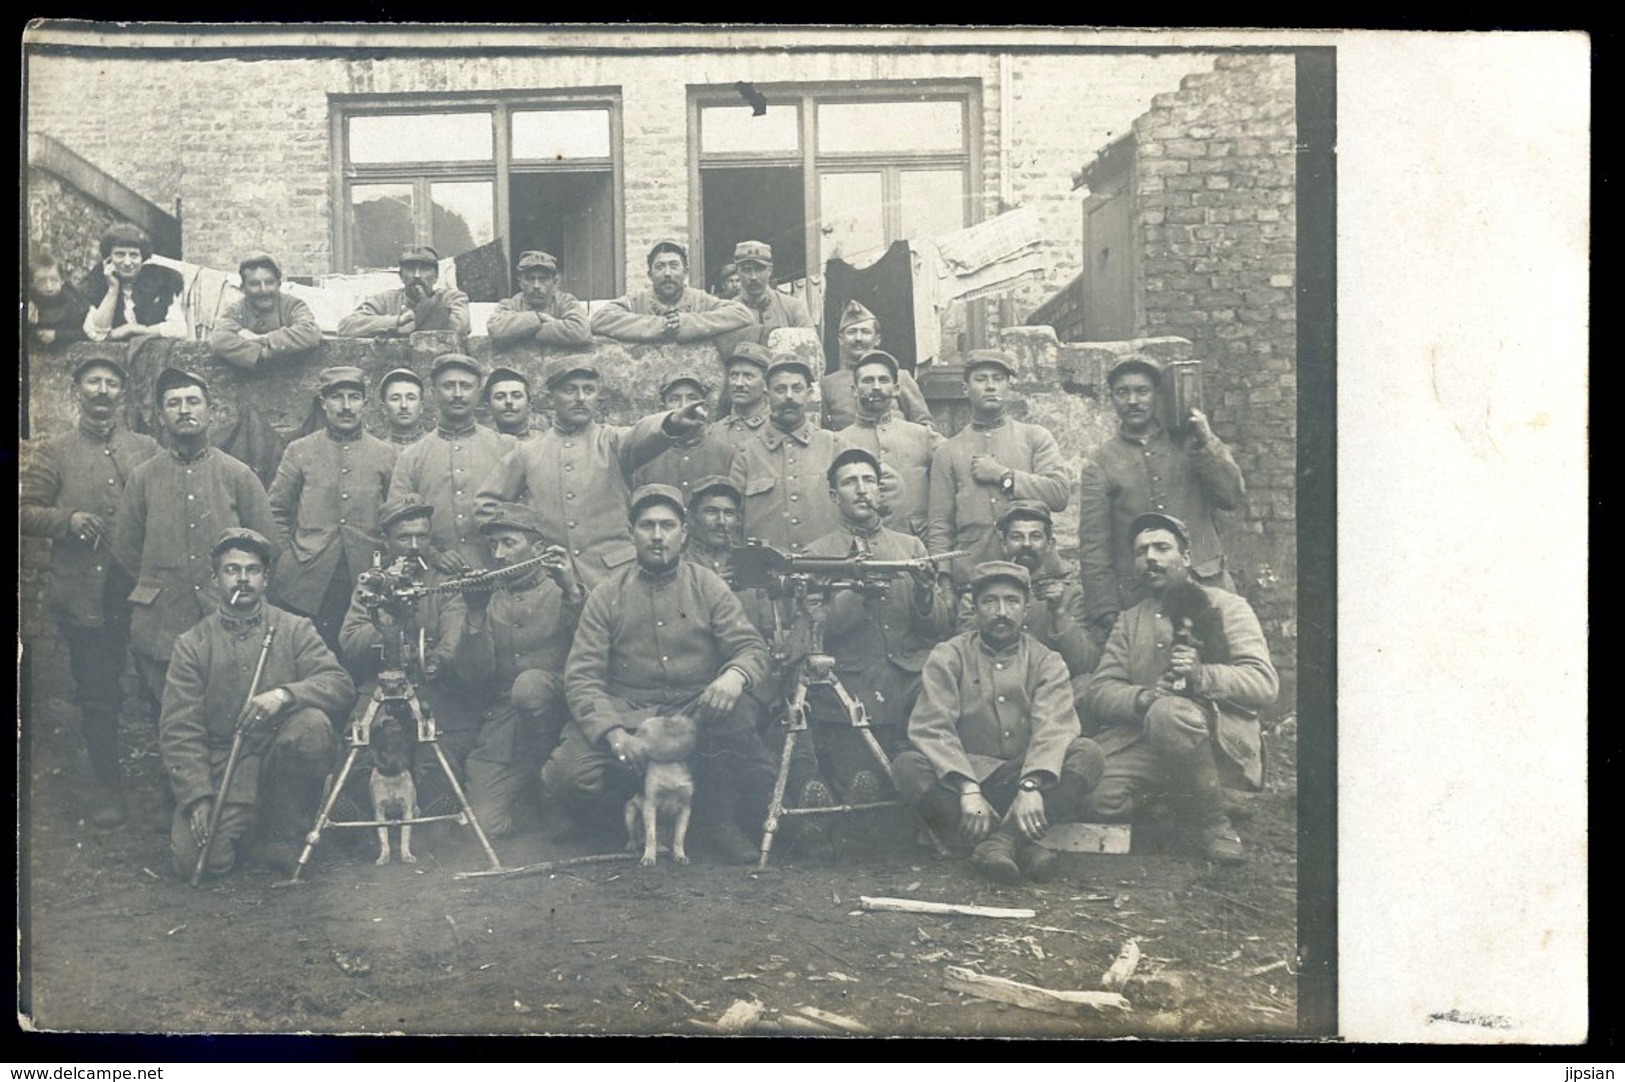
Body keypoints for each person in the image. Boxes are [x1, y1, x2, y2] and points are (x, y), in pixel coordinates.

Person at [550, 484, 778, 864]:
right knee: (569, 775)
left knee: (738, 719)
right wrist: (613, 733)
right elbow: (582, 676)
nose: (658, 536)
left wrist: (733, 676)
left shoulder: (708, 585)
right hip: (631, 714)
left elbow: (750, 648)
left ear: (684, 534)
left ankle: (718, 822)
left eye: (668, 526)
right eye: (647, 525)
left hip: (695, 711)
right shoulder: (608, 594)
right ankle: (621, 823)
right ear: (631, 532)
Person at [893, 561, 1105, 884]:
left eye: (1012, 601)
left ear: (1026, 607)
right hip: (965, 786)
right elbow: (932, 727)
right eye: (990, 602)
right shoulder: (948, 656)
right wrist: (967, 787)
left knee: (1087, 754)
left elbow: (1054, 728)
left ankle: (999, 843)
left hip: (1026, 786)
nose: (1001, 611)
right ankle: (1018, 845)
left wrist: (1031, 784)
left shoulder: (1047, 660)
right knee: (907, 766)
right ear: (974, 607)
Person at [1083, 513, 1278, 864]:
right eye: (1142, 552)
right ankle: (1190, 799)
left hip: (1218, 741)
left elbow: (1263, 684)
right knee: (1097, 796)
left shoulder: (1228, 607)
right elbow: (1100, 690)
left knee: (1170, 714)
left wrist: (1202, 676)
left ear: (1185, 558)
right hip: (1152, 739)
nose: (1151, 558)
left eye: (1162, 547)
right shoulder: (1130, 621)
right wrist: (1143, 698)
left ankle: (1215, 823)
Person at [161, 528, 355, 879]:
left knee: (311, 725)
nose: (243, 579)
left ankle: (286, 830)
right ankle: (252, 831)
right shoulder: (192, 644)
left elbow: (339, 685)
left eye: (252, 570)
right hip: (226, 765)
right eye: (232, 570)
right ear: (216, 578)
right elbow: (179, 729)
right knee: (198, 864)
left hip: (282, 756)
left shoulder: (295, 629)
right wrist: (197, 797)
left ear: (266, 578)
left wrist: (285, 695)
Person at [21, 356, 161, 826]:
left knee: (159, 687)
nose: (102, 391)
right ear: (77, 389)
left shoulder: (146, 448)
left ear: (123, 393)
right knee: (98, 692)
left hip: (144, 591)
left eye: (111, 383)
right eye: (93, 382)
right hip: (85, 593)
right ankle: (108, 788)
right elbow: (25, 511)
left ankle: (169, 789)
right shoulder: (54, 450)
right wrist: (67, 520)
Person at [111, 368, 281, 735]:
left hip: (225, 615)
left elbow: (267, 545)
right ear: (160, 415)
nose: (183, 410)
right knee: (171, 717)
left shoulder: (237, 475)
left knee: (226, 715)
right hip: (162, 621)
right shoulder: (143, 477)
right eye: (173, 403)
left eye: (192, 401)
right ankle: (179, 789)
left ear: (210, 411)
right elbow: (125, 550)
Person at [795, 449, 954, 807]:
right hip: (852, 687)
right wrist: (856, 590)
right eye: (850, 482)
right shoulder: (816, 555)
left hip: (908, 682)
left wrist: (927, 595)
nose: (862, 490)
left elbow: (937, 630)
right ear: (835, 496)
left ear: (880, 492)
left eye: (869, 480)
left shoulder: (910, 547)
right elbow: (818, 632)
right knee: (863, 786)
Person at [474, 356, 708, 593]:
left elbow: (642, 434)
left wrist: (674, 421)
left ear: (598, 397)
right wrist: (523, 543)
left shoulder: (613, 441)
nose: (580, 398)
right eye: (569, 390)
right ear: (550, 398)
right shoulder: (528, 452)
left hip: (615, 579)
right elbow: (486, 505)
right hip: (553, 584)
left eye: (588, 390)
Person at [1077, 355, 1246, 640]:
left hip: (1206, 585)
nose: (1133, 401)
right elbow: (1094, 546)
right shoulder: (1101, 463)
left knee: (1219, 668)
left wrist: (1207, 442)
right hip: (1144, 596)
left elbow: (1231, 496)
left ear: (1157, 394)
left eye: (1142, 391)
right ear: (1112, 399)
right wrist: (1105, 610)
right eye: (1122, 392)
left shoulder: (1190, 443)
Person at [338, 495, 477, 819]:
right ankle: (362, 824)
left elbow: (455, 631)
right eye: (404, 537)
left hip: (431, 686)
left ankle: (434, 824)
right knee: (357, 750)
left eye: (422, 536)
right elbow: (350, 639)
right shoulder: (372, 582)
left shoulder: (444, 582)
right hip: (380, 685)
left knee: (438, 757)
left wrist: (437, 658)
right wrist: (386, 631)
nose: (414, 546)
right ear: (386, 541)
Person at [453, 504, 587, 839]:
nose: (498, 555)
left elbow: (595, 650)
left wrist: (572, 592)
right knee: (483, 825)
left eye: (508, 544)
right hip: (505, 726)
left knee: (530, 687)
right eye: (493, 546)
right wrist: (474, 616)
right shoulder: (487, 597)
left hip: (561, 715)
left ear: (538, 549)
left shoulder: (565, 587)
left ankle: (551, 790)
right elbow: (472, 677)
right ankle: (528, 798)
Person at [267, 367, 397, 652]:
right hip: (308, 577)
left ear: (366, 404)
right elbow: (276, 510)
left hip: (365, 575)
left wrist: (384, 563)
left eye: (354, 397)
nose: (346, 406)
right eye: (337, 397)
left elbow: (396, 517)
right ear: (323, 402)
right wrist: (287, 557)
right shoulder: (299, 450)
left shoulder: (386, 453)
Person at [926, 349, 1069, 587]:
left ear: (1008, 387)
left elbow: (1058, 494)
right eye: (981, 379)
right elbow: (940, 524)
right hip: (973, 578)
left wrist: (1004, 476)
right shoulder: (948, 451)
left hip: (1036, 575)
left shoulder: (1035, 437)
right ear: (965, 389)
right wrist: (944, 579)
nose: (990, 386)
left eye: (998, 379)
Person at [729, 356, 879, 555]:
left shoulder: (836, 447)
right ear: (767, 396)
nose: (789, 397)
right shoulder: (747, 455)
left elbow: (869, 506)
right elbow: (732, 521)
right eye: (780, 389)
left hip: (828, 571)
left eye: (797, 389)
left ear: (809, 394)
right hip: (767, 577)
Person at [957, 502, 1100, 711]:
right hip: (994, 694)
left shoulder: (1070, 595)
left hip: (1050, 695)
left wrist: (1059, 612)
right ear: (1003, 543)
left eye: (1035, 536)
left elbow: (1085, 665)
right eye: (1016, 537)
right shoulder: (975, 598)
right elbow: (966, 660)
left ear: (1049, 544)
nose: (1026, 544)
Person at [387, 354, 516, 575]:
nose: (457, 394)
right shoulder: (412, 456)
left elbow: (525, 513)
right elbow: (398, 522)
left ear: (478, 393)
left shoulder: (507, 448)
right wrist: (434, 554)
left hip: (497, 570)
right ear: (434, 393)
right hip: (437, 578)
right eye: (448, 386)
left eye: (465, 386)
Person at [838, 350, 943, 540]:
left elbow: (956, 467)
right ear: (854, 390)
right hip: (858, 546)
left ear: (896, 389)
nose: (876, 387)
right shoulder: (837, 442)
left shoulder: (922, 436)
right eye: (868, 381)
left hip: (917, 544)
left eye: (883, 380)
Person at [589, 239, 753, 346]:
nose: (667, 273)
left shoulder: (701, 300)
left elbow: (742, 314)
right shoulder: (636, 300)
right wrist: (660, 326)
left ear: (685, 272)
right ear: (650, 274)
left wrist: (687, 323)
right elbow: (600, 319)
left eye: (674, 266)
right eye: (660, 267)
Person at [682, 476, 777, 637]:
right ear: (691, 518)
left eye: (729, 513)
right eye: (711, 512)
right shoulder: (678, 565)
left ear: (738, 520)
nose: (721, 521)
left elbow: (768, 628)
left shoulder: (750, 562)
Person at [631, 367, 742, 503]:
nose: (684, 406)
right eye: (675, 399)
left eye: (692, 398)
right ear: (662, 408)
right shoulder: (644, 456)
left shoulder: (727, 455)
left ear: (705, 407)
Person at [818, 300, 932, 431]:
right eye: (852, 332)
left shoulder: (899, 376)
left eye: (865, 332)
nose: (858, 338)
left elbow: (924, 425)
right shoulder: (828, 384)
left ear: (877, 339)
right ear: (840, 339)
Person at [206, 251, 321, 370]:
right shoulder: (235, 311)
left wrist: (263, 339)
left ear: (279, 284)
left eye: (270, 283)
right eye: (255, 284)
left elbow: (310, 332)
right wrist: (260, 353)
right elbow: (219, 338)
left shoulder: (293, 306)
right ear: (243, 288)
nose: (264, 290)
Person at [82, 223, 188, 343]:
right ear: (109, 259)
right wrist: (112, 289)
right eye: (120, 254)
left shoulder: (160, 283)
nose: (127, 262)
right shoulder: (98, 286)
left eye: (134, 255)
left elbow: (179, 329)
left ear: (142, 259)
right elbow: (96, 334)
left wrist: (132, 330)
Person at [336, 246, 470, 338]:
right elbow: (345, 327)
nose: (417, 275)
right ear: (401, 276)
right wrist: (397, 322)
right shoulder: (386, 300)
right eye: (411, 269)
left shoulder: (451, 298)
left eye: (424, 269)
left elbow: (460, 327)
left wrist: (428, 310)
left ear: (436, 277)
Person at [714, 240, 814, 358]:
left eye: (759, 269)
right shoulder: (728, 312)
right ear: (738, 272)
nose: (753, 277)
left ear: (770, 270)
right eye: (746, 270)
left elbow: (812, 353)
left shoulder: (793, 308)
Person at [485, 250, 591, 350]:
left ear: (555, 282)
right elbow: (495, 330)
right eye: (530, 279)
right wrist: (539, 318)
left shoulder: (566, 302)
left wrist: (523, 330)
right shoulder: (510, 305)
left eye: (543, 279)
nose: (536, 286)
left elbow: (581, 332)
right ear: (520, 282)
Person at [708, 341, 773, 452]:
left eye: (748, 376)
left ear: (766, 383)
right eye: (734, 375)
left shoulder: (777, 427)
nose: (739, 383)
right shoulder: (715, 431)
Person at [26, 252, 88, 351]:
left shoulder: (73, 301)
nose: (49, 287)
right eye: (41, 282)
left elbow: (86, 333)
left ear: (62, 280)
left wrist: (57, 335)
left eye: (54, 280)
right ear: (32, 283)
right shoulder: (28, 301)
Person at [483, 366, 544, 441]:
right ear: (488, 408)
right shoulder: (479, 443)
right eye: (500, 397)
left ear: (529, 406)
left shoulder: (544, 442)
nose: (509, 401)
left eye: (516, 396)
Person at [379, 367, 427, 447]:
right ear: (384, 408)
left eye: (411, 398)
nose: (404, 405)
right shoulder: (375, 451)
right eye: (395, 399)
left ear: (421, 406)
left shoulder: (439, 448)